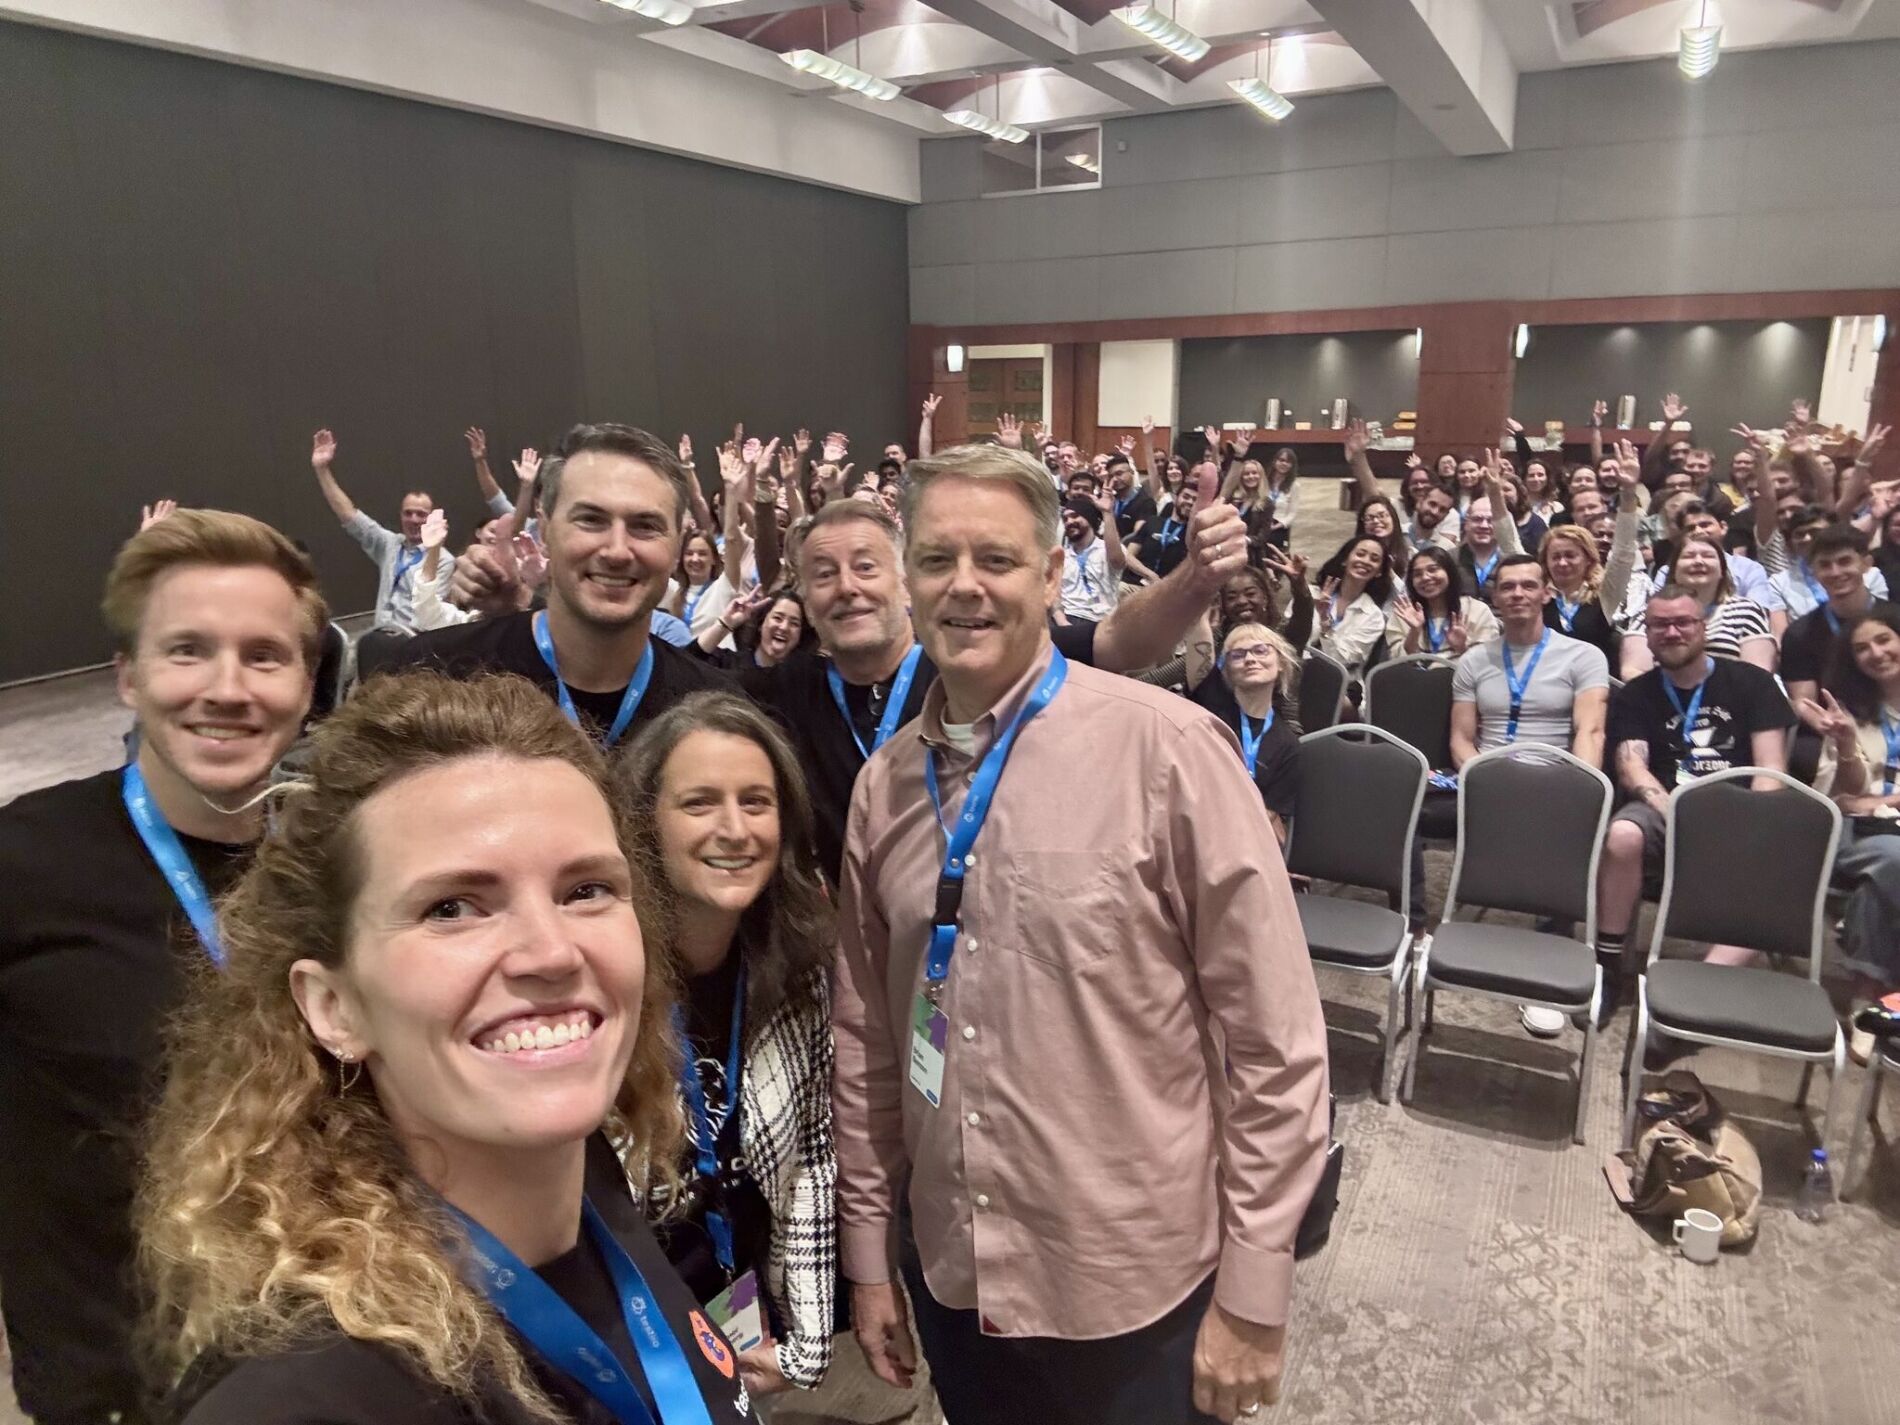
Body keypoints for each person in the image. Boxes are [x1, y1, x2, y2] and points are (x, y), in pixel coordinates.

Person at [832, 443, 1330, 1425]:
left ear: (1055, 574)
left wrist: (1256, 1290)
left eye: (998, 559)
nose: (963, 586)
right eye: (936, 560)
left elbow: (1275, 1044)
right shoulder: (881, 787)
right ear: (906, 579)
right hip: (954, 1274)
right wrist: (870, 1259)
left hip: (1134, 1291)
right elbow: (870, 1044)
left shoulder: (1169, 749)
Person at [137, 674, 758, 1422]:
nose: (551, 951)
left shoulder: (594, 1199)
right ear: (334, 1007)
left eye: (585, 889)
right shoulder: (305, 1399)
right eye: (452, 907)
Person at [0, 511, 324, 1425]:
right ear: (128, 677)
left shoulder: (340, 869)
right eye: (188, 651)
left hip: (323, 1370)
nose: (229, 688)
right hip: (121, 1396)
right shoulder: (23, 863)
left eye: (265, 655)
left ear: (306, 685)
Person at [741, 488, 1251, 883]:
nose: (847, 587)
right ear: (805, 599)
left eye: (866, 567)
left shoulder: (976, 658)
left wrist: (1195, 577)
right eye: (824, 574)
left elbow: (1118, 640)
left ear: (905, 582)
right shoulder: (774, 697)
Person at [618, 693, 843, 1395]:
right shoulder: (603, 974)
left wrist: (808, 1341)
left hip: (743, 1302)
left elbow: (812, 1154)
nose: (735, 829)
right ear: (644, 820)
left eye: (756, 801)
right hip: (627, 1315)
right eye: (699, 803)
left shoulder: (801, 967)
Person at [365, 422, 730, 743]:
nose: (618, 551)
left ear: (678, 545)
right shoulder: (437, 676)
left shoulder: (717, 713)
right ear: (544, 530)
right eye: (590, 519)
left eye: (645, 526)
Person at [1598, 588, 1796, 1041]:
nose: (1672, 632)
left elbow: (1771, 770)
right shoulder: (1637, 694)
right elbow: (1632, 765)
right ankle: (1609, 964)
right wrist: (1670, 807)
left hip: (1740, 812)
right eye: (1660, 625)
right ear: (1646, 635)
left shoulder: (1752, 683)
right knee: (1623, 835)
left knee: (1782, 868)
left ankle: (1691, 1006)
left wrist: (1748, 820)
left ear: (1703, 626)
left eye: (1683, 622)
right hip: (1664, 806)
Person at [1449, 555, 1611, 1038]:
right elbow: (1461, 738)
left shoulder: (1584, 656)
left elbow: (1590, 729)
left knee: (1563, 821)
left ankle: (1552, 962)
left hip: (1557, 776)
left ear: (1546, 594)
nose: (1517, 594)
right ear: (1494, 598)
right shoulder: (1474, 660)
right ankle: (1427, 930)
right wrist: (1482, 777)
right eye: (1507, 587)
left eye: (1528, 586)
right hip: (1490, 777)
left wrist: (1577, 784)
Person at [1811, 607, 1900, 1061]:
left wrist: (1882, 801)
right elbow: (1844, 797)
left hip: (1886, 838)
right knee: (1894, 861)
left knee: (1879, 884)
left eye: (1884, 640)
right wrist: (1847, 745)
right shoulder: (1846, 714)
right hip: (1853, 833)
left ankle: (1869, 1001)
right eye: (1862, 648)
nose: (1876, 654)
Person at [306, 428, 446, 630]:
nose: (414, 520)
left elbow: (432, 616)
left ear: (432, 517)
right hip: (379, 638)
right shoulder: (390, 545)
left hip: (416, 641)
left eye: (421, 514)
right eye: (408, 513)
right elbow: (350, 515)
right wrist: (322, 469)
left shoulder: (443, 560)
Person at [1183, 621, 1302, 840]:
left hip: (1241, 841)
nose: (1249, 659)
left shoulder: (1288, 744)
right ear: (1226, 669)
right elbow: (1198, 637)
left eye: (1260, 650)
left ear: (1281, 663)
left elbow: (1271, 825)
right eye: (1237, 655)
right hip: (1191, 825)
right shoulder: (1211, 705)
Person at [1621, 534, 1775, 679]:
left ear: (1722, 570)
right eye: (1689, 556)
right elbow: (1633, 671)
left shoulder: (1747, 611)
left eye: (1708, 556)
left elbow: (1758, 674)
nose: (1698, 561)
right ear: (1673, 570)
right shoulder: (1649, 612)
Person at [1783, 522, 1894, 712]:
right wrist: (1829, 726)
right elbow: (1805, 703)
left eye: (1844, 562)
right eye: (1825, 565)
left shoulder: (1895, 620)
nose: (1835, 572)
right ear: (1813, 572)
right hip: (1835, 727)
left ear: (1866, 564)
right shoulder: (1799, 634)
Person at [1387, 546, 1499, 660]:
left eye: (1432, 569)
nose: (1425, 577)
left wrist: (1462, 648)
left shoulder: (1477, 610)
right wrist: (1414, 632)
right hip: (1413, 677)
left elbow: (1486, 665)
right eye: (1417, 574)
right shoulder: (1404, 613)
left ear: (1449, 572)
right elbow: (1396, 664)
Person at [1309, 534, 1393, 679]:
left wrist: (1325, 625)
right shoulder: (1311, 594)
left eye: (1374, 559)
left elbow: (1341, 661)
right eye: (1360, 554)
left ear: (1379, 571)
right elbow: (1291, 641)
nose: (1366, 561)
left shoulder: (1373, 616)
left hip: (1342, 684)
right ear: (1344, 559)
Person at [698, 586, 813, 669]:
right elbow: (688, 662)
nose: (784, 627)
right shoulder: (729, 664)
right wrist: (725, 623)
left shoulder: (803, 681)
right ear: (761, 624)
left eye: (794, 623)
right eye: (778, 618)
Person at [1058, 493, 1125, 621]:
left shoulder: (1106, 549)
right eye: (1065, 519)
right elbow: (1055, 597)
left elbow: (1117, 562)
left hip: (1102, 621)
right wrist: (1063, 624)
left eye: (1074, 516)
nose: (1069, 522)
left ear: (1089, 518)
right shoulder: (1062, 556)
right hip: (1069, 616)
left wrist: (1107, 513)